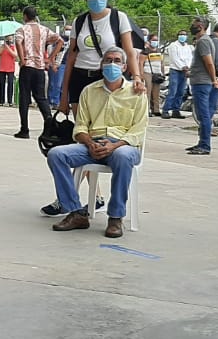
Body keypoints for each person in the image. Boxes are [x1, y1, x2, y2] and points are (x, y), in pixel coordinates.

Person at [46, 48, 148, 238]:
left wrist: (115, 145)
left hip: (123, 145)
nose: (112, 64)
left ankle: (116, 217)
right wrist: (90, 143)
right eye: (108, 60)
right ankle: (76, 212)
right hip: (93, 143)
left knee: (123, 156)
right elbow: (81, 127)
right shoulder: (89, 91)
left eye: (117, 61)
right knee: (56, 154)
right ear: (101, 66)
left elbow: (138, 130)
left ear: (124, 66)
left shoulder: (136, 93)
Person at [59, 0, 145, 115]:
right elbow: (71, 57)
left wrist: (137, 77)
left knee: (102, 125)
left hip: (105, 78)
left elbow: (129, 52)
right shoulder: (79, 21)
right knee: (81, 128)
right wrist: (63, 96)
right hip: (79, 77)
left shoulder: (118, 18)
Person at [13, 5, 63, 138]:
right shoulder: (44, 30)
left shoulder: (22, 29)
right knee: (41, 97)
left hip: (28, 66)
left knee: (24, 97)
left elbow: (18, 42)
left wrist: (22, 58)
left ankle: (24, 129)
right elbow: (60, 41)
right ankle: (50, 123)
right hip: (40, 67)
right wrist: (50, 58)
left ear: (25, 16)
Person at [185, 19, 218, 155]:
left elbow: (209, 63)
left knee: (204, 114)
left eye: (195, 24)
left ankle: (205, 145)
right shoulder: (205, 41)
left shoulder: (203, 41)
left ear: (201, 27)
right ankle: (202, 142)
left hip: (202, 83)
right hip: (201, 81)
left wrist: (214, 79)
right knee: (204, 114)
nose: (193, 27)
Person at [163, 28, 193, 118]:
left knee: (181, 91)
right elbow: (174, 58)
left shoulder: (187, 47)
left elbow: (190, 58)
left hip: (184, 71)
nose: (182, 36)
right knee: (173, 91)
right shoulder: (173, 45)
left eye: (184, 35)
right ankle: (166, 110)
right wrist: (182, 66)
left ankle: (176, 110)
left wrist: (187, 67)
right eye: (181, 35)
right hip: (175, 70)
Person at [47, 26, 70, 109]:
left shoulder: (72, 39)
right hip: (57, 64)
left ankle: (61, 101)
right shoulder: (59, 41)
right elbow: (55, 53)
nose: (69, 32)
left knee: (62, 85)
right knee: (55, 84)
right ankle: (53, 101)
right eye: (67, 30)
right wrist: (55, 64)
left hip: (65, 64)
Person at [143, 33, 163, 117]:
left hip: (157, 72)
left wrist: (163, 72)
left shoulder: (159, 50)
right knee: (148, 91)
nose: (155, 42)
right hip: (147, 71)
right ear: (149, 41)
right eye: (153, 40)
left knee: (156, 92)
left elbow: (161, 63)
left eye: (156, 40)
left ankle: (156, 109)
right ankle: (147, 110)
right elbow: (141, 62)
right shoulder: (145, 51)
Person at [0, 37, 17, 106]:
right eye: (7, 40)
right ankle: (1, 100)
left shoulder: (13, 47)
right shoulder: (2, 47)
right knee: (1, 84)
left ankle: (10, 101)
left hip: (10, 68)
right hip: (2, 67)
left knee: (10, 84)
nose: (9, 41)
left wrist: (8, 48)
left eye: (10, 39)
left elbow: (15, 55)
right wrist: (2, 48)